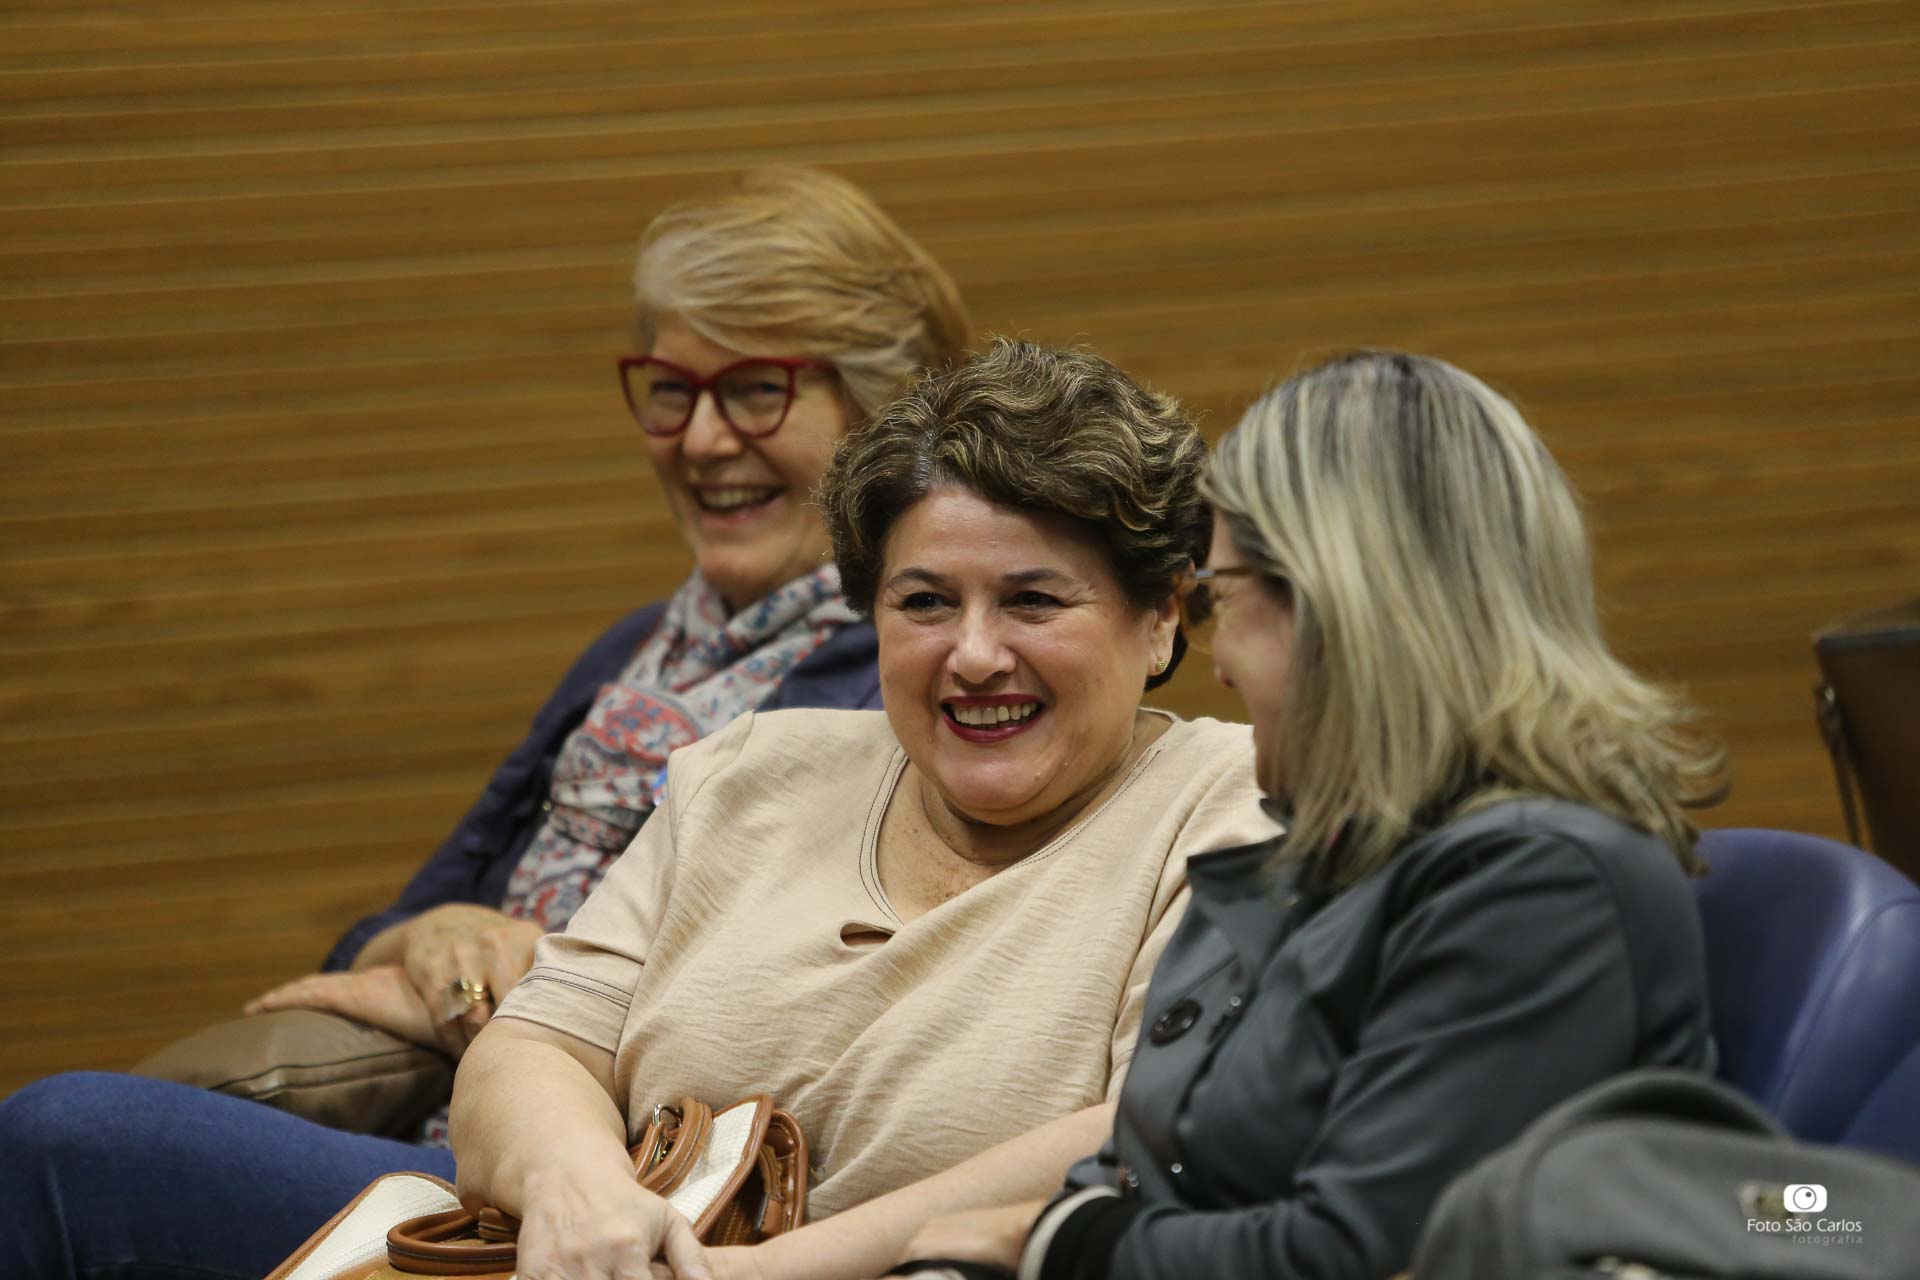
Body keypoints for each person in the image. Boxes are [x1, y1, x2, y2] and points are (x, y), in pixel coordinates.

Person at [0, 340, 1278, 1280]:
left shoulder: (1237, 805)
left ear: (1161, 615)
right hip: (590, 1239)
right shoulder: (756, 767)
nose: (974, 653)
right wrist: (581, 1194)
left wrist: (754, 1272)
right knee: (67, 1139)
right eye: (925, 601)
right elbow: (538, 1041)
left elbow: (1152, 1132)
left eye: (1035, 600)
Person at [0, 164, 966, 1276]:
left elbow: (769, 1027)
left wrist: (474, 1003)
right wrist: (443, 947)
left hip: (611, 1187)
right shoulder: (639, 646)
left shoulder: (901, 682)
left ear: (875, 414)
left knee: (59, 1137)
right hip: (445, 1129)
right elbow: (376, 935)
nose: (701, 440)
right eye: (670, 389)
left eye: (756, 390)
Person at [888, 350, 1728, 1280]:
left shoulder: (1538, 886)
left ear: (1339, 608)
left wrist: (1041, 1243)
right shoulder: (1313, 855)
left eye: (1220, 599)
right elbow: (1142, 1172)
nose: (1219, 663)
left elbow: (1352, 1255)